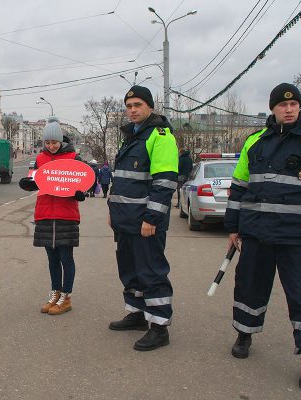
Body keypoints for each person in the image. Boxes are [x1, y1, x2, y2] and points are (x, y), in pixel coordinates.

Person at [224, 83, 301, 391]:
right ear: (273, 108)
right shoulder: (255, 142)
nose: (288, 109)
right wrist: (233, 226)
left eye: (294, 105)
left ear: (299, 107)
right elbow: (239, 188)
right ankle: (244, 334)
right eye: (282, 105)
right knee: (249, 289)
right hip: (256, 234)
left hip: (299, 239)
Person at [107, 86, 178, 351]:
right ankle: (137, 315)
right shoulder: (132, 136)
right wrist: (112, 211)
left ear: (149, 106)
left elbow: (165, 182)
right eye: (129, 105)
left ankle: (159, 327)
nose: (132, 110)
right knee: (131, 270)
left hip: (146, 222)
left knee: (151, 272)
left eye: (137, 104)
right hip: (125, 220)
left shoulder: (160, 137)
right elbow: (122, 181)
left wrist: (152, 218)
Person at [19, 116, 85, 315]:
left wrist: (80, 192)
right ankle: (55, 293)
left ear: (61, 140)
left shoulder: (74, 158)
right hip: (46, 213)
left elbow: (84, 182)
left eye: (54, 142)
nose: (51, 146)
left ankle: (66, 297)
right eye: (47, 143)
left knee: (66, 258)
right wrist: (28, 183)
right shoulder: (40, 158)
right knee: (52, 259)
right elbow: (34, 179)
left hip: (66, 214)